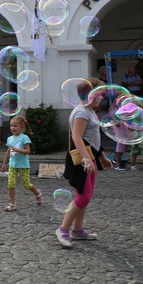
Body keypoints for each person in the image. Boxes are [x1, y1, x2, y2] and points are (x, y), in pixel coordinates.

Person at [57, 78, 113, 248]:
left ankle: (78, 230)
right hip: (81, 160)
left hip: (90, 158)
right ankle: (63, 230)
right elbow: (77, 137)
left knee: (86, 196)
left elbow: (93, 137)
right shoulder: (81, 112)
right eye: (100, 94)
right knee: (84, 196)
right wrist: (87, 159)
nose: (102, 98)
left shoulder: (89, 111)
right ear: (91, 95)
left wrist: (102, 156)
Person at [1, 116, 42, 211]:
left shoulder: (24, 137)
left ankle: (37, 193)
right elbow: (8, 152)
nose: (13, 128)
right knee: (10, 184)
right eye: (11, 126)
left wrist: (17, 150)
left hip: (23, 165)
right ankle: (12, 204)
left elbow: (28, 151)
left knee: (26, 184)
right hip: (13, 165)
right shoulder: (9, 139)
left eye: (15, 126)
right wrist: (4, 163)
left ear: (22, 127)